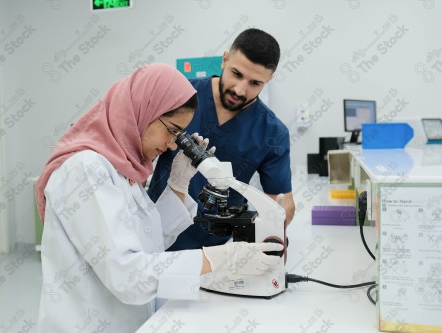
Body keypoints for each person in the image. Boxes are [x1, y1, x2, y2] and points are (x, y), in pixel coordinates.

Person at [34, 63, 282, 333]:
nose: (173, 144)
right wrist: (221, 258)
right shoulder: (85, 169)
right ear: (143, 110)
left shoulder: (123, 168)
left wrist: (178, 183)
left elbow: (148, 242)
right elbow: (128, 276)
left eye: (179, 136)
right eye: (172, 131)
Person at [148, 28, 295, 251]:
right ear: (225, 59)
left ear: (269, 80)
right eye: (236, 74)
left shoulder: (272, 133)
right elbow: (134, 161)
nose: (240, 89)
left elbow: (282, 200)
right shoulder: (180, 96)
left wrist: (269, 228)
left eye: (255, 83)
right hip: (156, 234)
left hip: (216, 249)